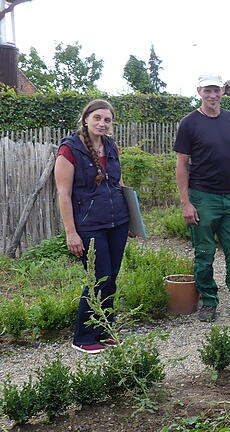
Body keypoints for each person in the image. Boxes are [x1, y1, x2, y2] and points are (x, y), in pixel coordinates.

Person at [174, 73, 230, 322]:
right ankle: (209, 302)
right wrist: (186, 202)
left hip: (228, 197)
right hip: (202, 197)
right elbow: (182, 165)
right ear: (199, 92)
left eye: (216, 90)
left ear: (223, 91)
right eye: (207, 91)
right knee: (204, 254)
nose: (212, 95)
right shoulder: (189, 123)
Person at [54, 99, 130, 354]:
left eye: (107, 120)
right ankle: (84, 337)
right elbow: (63, 194)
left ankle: (105, 330)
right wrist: (71, 232)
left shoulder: (111, 146)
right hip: (89, 226)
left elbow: (119, 184)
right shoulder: (69, 150)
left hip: (117, 222)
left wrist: (131, 218)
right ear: (86, 118)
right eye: (97, 117)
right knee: (98, 279)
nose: (102, 123)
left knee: (111, 279)